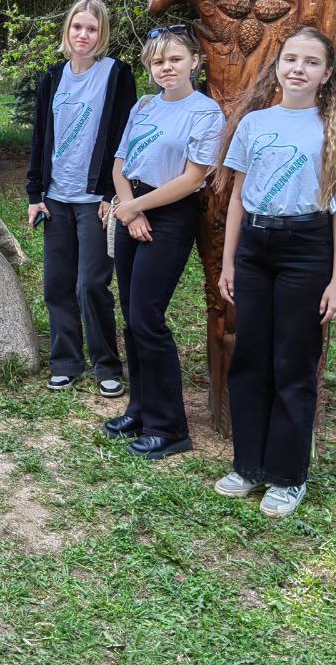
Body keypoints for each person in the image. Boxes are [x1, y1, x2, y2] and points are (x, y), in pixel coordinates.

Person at [214, 27, 336, 517]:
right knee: (250, 356)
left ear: (326, 75)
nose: (298, 68)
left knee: (293, 363)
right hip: (255, 247)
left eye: (311, 62)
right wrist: (229, 261)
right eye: (290, 59)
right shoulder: (255, 124)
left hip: (306, 248)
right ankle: (249, 466)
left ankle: (287, 475)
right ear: (277, 66)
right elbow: (237, 196)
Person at [105, 24, 225, 460]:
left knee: (147, 317)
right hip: (131, 204)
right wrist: (128, 205)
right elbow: (119, 164)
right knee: (130, 317)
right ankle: (140, 408)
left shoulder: (206, 113)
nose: (166, 68)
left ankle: (170, 426)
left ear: (194, 61)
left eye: (175, 59)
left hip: (170, 216)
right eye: (158, 61)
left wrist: (138, 209)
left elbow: (194, 178)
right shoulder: (142, 106)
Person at [27, 0, 137, 395]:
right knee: (57, 284)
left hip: (97, 200)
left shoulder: (117, 75)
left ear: (101, 33)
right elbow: (40, 137)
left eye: (91, 28)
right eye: (77, 27)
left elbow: (124, 137)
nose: (83, 35)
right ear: (67, 31)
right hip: (56, 198)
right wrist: (34, 192)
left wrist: (111, 192)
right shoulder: (52, 78)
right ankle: (66, 362)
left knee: (91, 283)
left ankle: (106, 365)